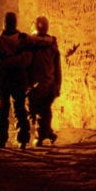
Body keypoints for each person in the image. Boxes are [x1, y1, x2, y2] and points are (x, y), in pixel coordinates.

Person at [0, 11, 32, 149]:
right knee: (20, 108)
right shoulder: (23, 39)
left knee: (1, 110)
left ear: (4, 23)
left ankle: (1, 139)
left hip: (4, 78)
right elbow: (28, 59)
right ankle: (23, 139)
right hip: (19, 78)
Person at [26, 15, 61, 145]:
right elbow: (57, 67)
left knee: (36, 111)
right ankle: (48, 133)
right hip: (48, 83)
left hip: (34, 84)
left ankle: (40, 137)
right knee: (44, 110)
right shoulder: (52, 44)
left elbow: (26, 63)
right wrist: (57, 84)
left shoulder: (30, 43)